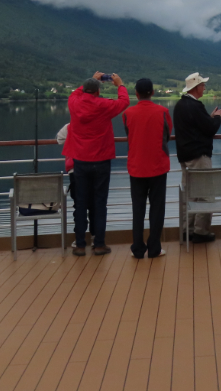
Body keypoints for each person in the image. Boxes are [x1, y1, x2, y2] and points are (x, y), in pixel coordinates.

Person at [63, 72, 129, 256]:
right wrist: (120, 84)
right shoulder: (103, 105)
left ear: (84, 90)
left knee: (81, 203)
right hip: (101, 160)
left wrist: (93, 79)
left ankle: (80, 245)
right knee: (100, 203)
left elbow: (74, 94)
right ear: (98, 92)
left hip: (80, 160)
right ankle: (99, 244)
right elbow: (123, 102)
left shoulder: (74, 103)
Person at [123, 78, 172, 259]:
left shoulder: (128, 113)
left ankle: (137, 248)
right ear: (152, 92)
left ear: (136, 94)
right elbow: (167, 134)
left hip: (136, 167)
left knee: (138, 208)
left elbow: (129, 134)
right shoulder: (163, 111)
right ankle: (154, 249)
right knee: (157, 209)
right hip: (158, 166)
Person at [173, 72, 221, 244]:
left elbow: (196, 126)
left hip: (185, 156)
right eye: (203, 85)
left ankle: (187, 230)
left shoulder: (180, 105)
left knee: (189, 194)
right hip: (199, 156)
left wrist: (208, 118)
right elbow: (210, 129)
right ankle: (201, 231)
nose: (204, 88)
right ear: (195, 88)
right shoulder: (196, 106)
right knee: (205, 194)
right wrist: (217, 118)